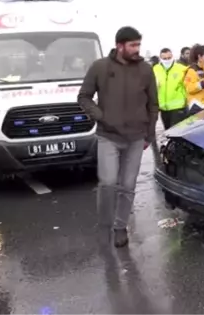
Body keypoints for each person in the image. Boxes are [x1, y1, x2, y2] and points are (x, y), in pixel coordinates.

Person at [77, 26, 158, 247]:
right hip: (108, 136)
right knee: (108, 182)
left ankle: (120, 227)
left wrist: (149, 136)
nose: (136, 49)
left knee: (128, 185)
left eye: (138, 45)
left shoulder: (145, 69)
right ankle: (105, 224)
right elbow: (84, 97)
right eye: (132, 45)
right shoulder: (100, 67)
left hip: (135, 137)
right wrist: (101, 116)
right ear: (119, 46)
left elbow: (153, 105)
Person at [153, 48, 187, 129]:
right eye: (164, 58)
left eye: (169, 58)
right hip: (163, 107)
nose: (167, 60)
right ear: (160, 58)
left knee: (176, 131)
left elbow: (187, 86)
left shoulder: (181, 69)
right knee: (167, 130)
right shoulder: (155, 69)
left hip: (178, 107)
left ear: (172, 57)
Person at [183, 44, 204, 115]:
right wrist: (203, 84)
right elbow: (189, 88)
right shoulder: (191, 70)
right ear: (199, 57)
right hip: (197, 107)